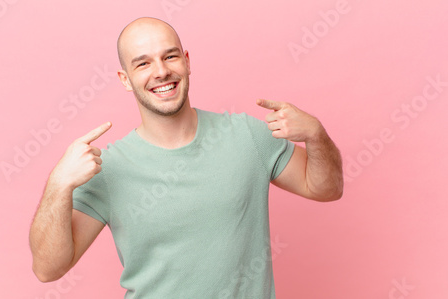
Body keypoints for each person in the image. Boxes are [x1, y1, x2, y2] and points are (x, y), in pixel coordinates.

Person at [29, 17, 343, 298]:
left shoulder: (248, 136)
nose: (162, 71)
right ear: (125, 79)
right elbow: (48, 270)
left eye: (170, 56)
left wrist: (316, 135)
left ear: (187, 61)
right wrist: (59, 185)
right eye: (143, 64)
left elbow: (326, 189)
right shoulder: (109, 170)